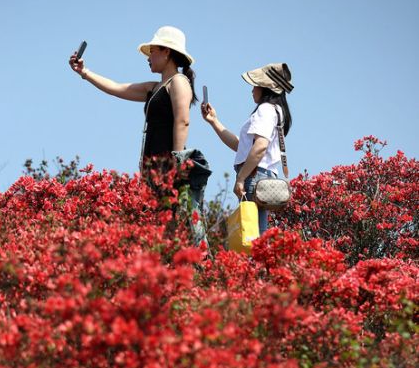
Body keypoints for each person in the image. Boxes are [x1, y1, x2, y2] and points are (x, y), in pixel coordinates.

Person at [69, 26, 211, 245]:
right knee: (154, 231)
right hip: (152, 170)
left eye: (153, 51)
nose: (148, 57)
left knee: (168, 230)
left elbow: (183, 121)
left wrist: (176, 164)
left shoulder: (179, 82)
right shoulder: (154, 88)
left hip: (167, 169)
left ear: (167, 52)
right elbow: (117, 87)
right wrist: (84, 73)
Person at [201, 63, 293, 235]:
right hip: (263, 176)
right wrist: (214, 121)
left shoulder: (265, 110)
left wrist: (241, 177)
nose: (252, 89)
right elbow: (241, 146)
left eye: (255, 85)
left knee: (251, 235)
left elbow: (260, 147)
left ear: (266, 88)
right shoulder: (276, 111)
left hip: (254, 175)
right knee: (256, 231)